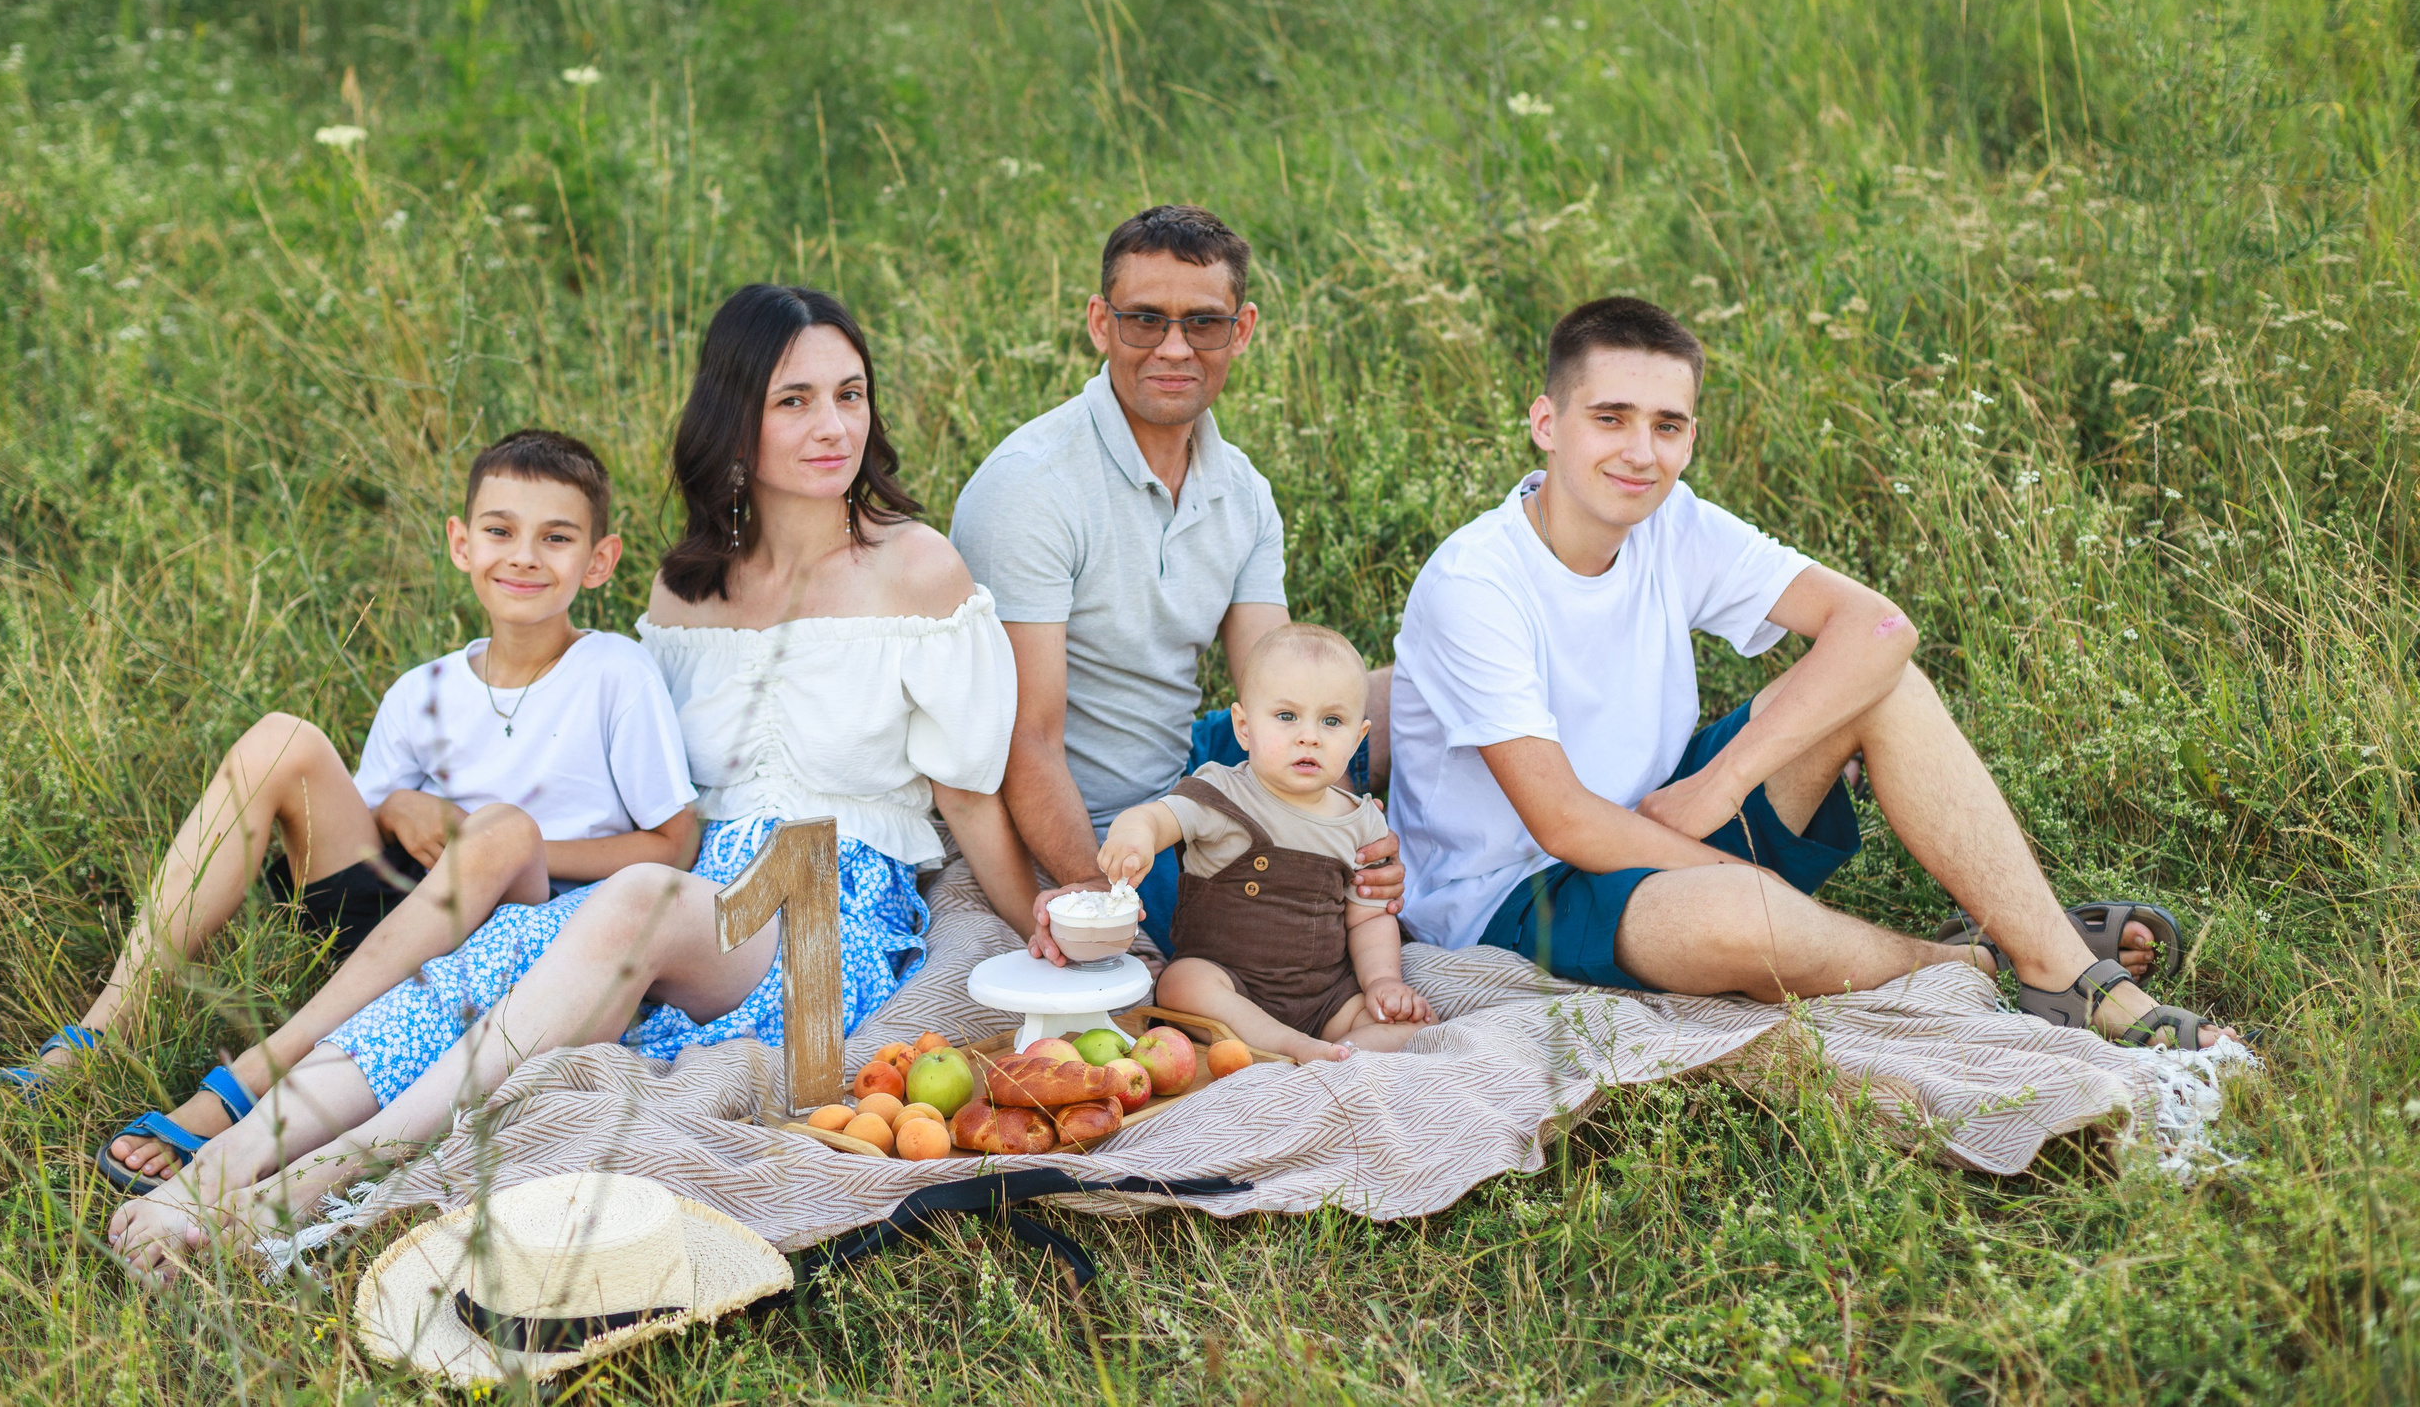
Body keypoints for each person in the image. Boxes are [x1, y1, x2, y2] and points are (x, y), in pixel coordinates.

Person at [109, 284, 1038, 1278]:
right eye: (794, 400)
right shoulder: (687, 587)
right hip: (703, 898)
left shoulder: (917, 567)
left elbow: (969, 796)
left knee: (634, 900)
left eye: (850, 395)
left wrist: (1044, 928)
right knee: (494, 956)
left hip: (822, 912)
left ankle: (303, 1191)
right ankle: (222, 1166)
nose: (833, 427)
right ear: (735, 417)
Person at [1388, 296, 2228, 1049]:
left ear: (1691, 436)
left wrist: (1720, 785)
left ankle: (2058, 972)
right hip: (1515, 896)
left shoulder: (1672, 522)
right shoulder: (1476, 583)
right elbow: (1565, 822)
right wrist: (1739, 875)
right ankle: (1967, 959)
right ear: (1547, 422)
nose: (1641, 453)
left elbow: (1881, 626)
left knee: (1887, 686)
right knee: (1743, 918)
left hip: (1661, 811)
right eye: (1610, 418)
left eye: (1668, 425)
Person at [1, 430, 701, 1193]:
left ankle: (263, 1068)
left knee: (505, 829)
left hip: (520, 937)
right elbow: (366, 814)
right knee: (282, 738)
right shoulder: (424, 687)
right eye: (500, 530)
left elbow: (673, 844)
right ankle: (106, 1023)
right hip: (394, 920)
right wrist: (400, 805)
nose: (525, 556)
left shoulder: (615, 673)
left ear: (599, 560)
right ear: (462, 543)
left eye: (556, 537)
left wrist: (487, 838)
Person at [948, 203, 1403, 963]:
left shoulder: (1243, 490)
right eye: (1144, 320)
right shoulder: (1030, 489)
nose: (1173, 348)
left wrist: (1349, 834)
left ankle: (1424, 868)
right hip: (1091, 818)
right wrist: (1098, 897)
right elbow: (1027, 741)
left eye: (1203, 323)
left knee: (1399, 700)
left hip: (1183, 772)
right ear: (1100, 323)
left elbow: (1281, 688)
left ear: (1241, 330)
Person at [1096, 623, 1433, 1063]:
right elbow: (1157, 817)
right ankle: (1294, 1048)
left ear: (1358, 738)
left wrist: (1382, 982)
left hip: (1325, 997)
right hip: (1229, 984)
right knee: (1181, 983)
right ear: (1244, 727)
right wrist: (1135, 835)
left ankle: (1340, 1053)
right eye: (1287, 716)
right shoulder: (1222, 793)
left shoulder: (1361, 821)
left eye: (1331, 721)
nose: (1309, 736)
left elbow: (1368, 917)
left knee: (1413, 1025)